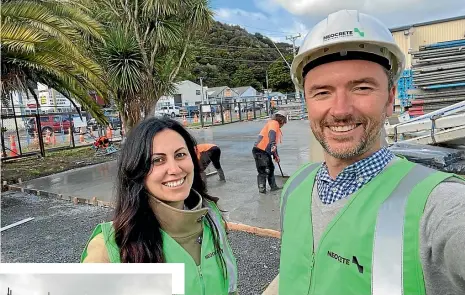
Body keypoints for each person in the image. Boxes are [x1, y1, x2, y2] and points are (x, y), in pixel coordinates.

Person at [279, 9, 465, 295]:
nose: (340, 110)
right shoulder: (295, 187)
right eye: (322, 92)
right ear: (306, 101)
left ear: (390, 99)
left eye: (361, 88)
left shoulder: (439, 205)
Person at [81, 117, 237, 295]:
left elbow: (230, 284)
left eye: (180, 155)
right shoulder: (110, 248)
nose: (175, 169)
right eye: (157, 160)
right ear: (136, 170)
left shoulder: (212, 217)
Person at [252, 110, 287, 194]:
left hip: (265, 151)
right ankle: (262, 189)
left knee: (271, 168)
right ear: (282, 120)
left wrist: (276, 156)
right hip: (260, 150)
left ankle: (273, 186)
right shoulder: (273, 123)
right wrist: (273, 144)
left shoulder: (275, 126)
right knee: (263, 170)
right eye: (284, 122)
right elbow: (271, 135)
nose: (283, 125)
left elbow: (273, 145)